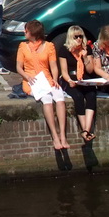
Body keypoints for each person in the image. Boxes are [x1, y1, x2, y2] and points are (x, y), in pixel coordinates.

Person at [16, 20, 69, 166]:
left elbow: (53, 65)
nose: (24, 33)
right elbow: (19, 67)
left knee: (59, 96)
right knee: (46, 98)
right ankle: (55, 136)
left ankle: (63, 136)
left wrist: (55, 79)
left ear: (32, 33)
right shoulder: (23, 47)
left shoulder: (49, 46)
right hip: (32, 80)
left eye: (26, 31)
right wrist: (27, 76)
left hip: (46, 78)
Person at [58, 25, 98, 144]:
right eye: (76, 37)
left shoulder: (87, 49)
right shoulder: (64, 50)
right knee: (78, 96)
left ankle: (86, 129)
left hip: (85, 78)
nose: (79, 39)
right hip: (70, 77)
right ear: (71, 37)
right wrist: (70, 80)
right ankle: (84, 128)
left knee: (91, 95)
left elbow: (90, 70)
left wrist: (85, 58)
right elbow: (64, 71)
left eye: (81, 36)